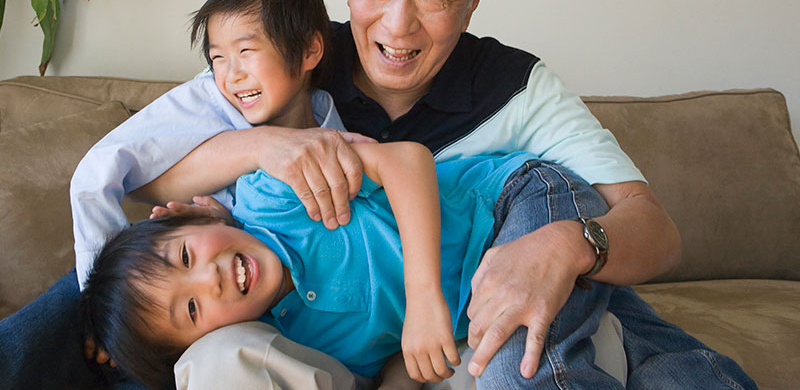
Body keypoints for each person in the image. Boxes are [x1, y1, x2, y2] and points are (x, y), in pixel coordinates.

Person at [0, 0, 755, 390]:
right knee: (117, 285)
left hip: (477, 267)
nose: (397, 22)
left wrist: (566, 244)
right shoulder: (287, 56)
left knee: (535, 343)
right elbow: (146, 176)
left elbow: (654, 230)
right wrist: (269, 143)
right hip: (295, 302)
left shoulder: (515, 87)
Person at [83, 147, 600, 389]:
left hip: (515, 203)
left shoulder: (274, 195)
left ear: (194, 215)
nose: (210, 278)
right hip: (482, 300)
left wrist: (423, 297)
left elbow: (405, 161)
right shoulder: (295, 342)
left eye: (185, 257)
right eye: (192, 308)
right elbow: (397, 356)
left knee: (521, 377)